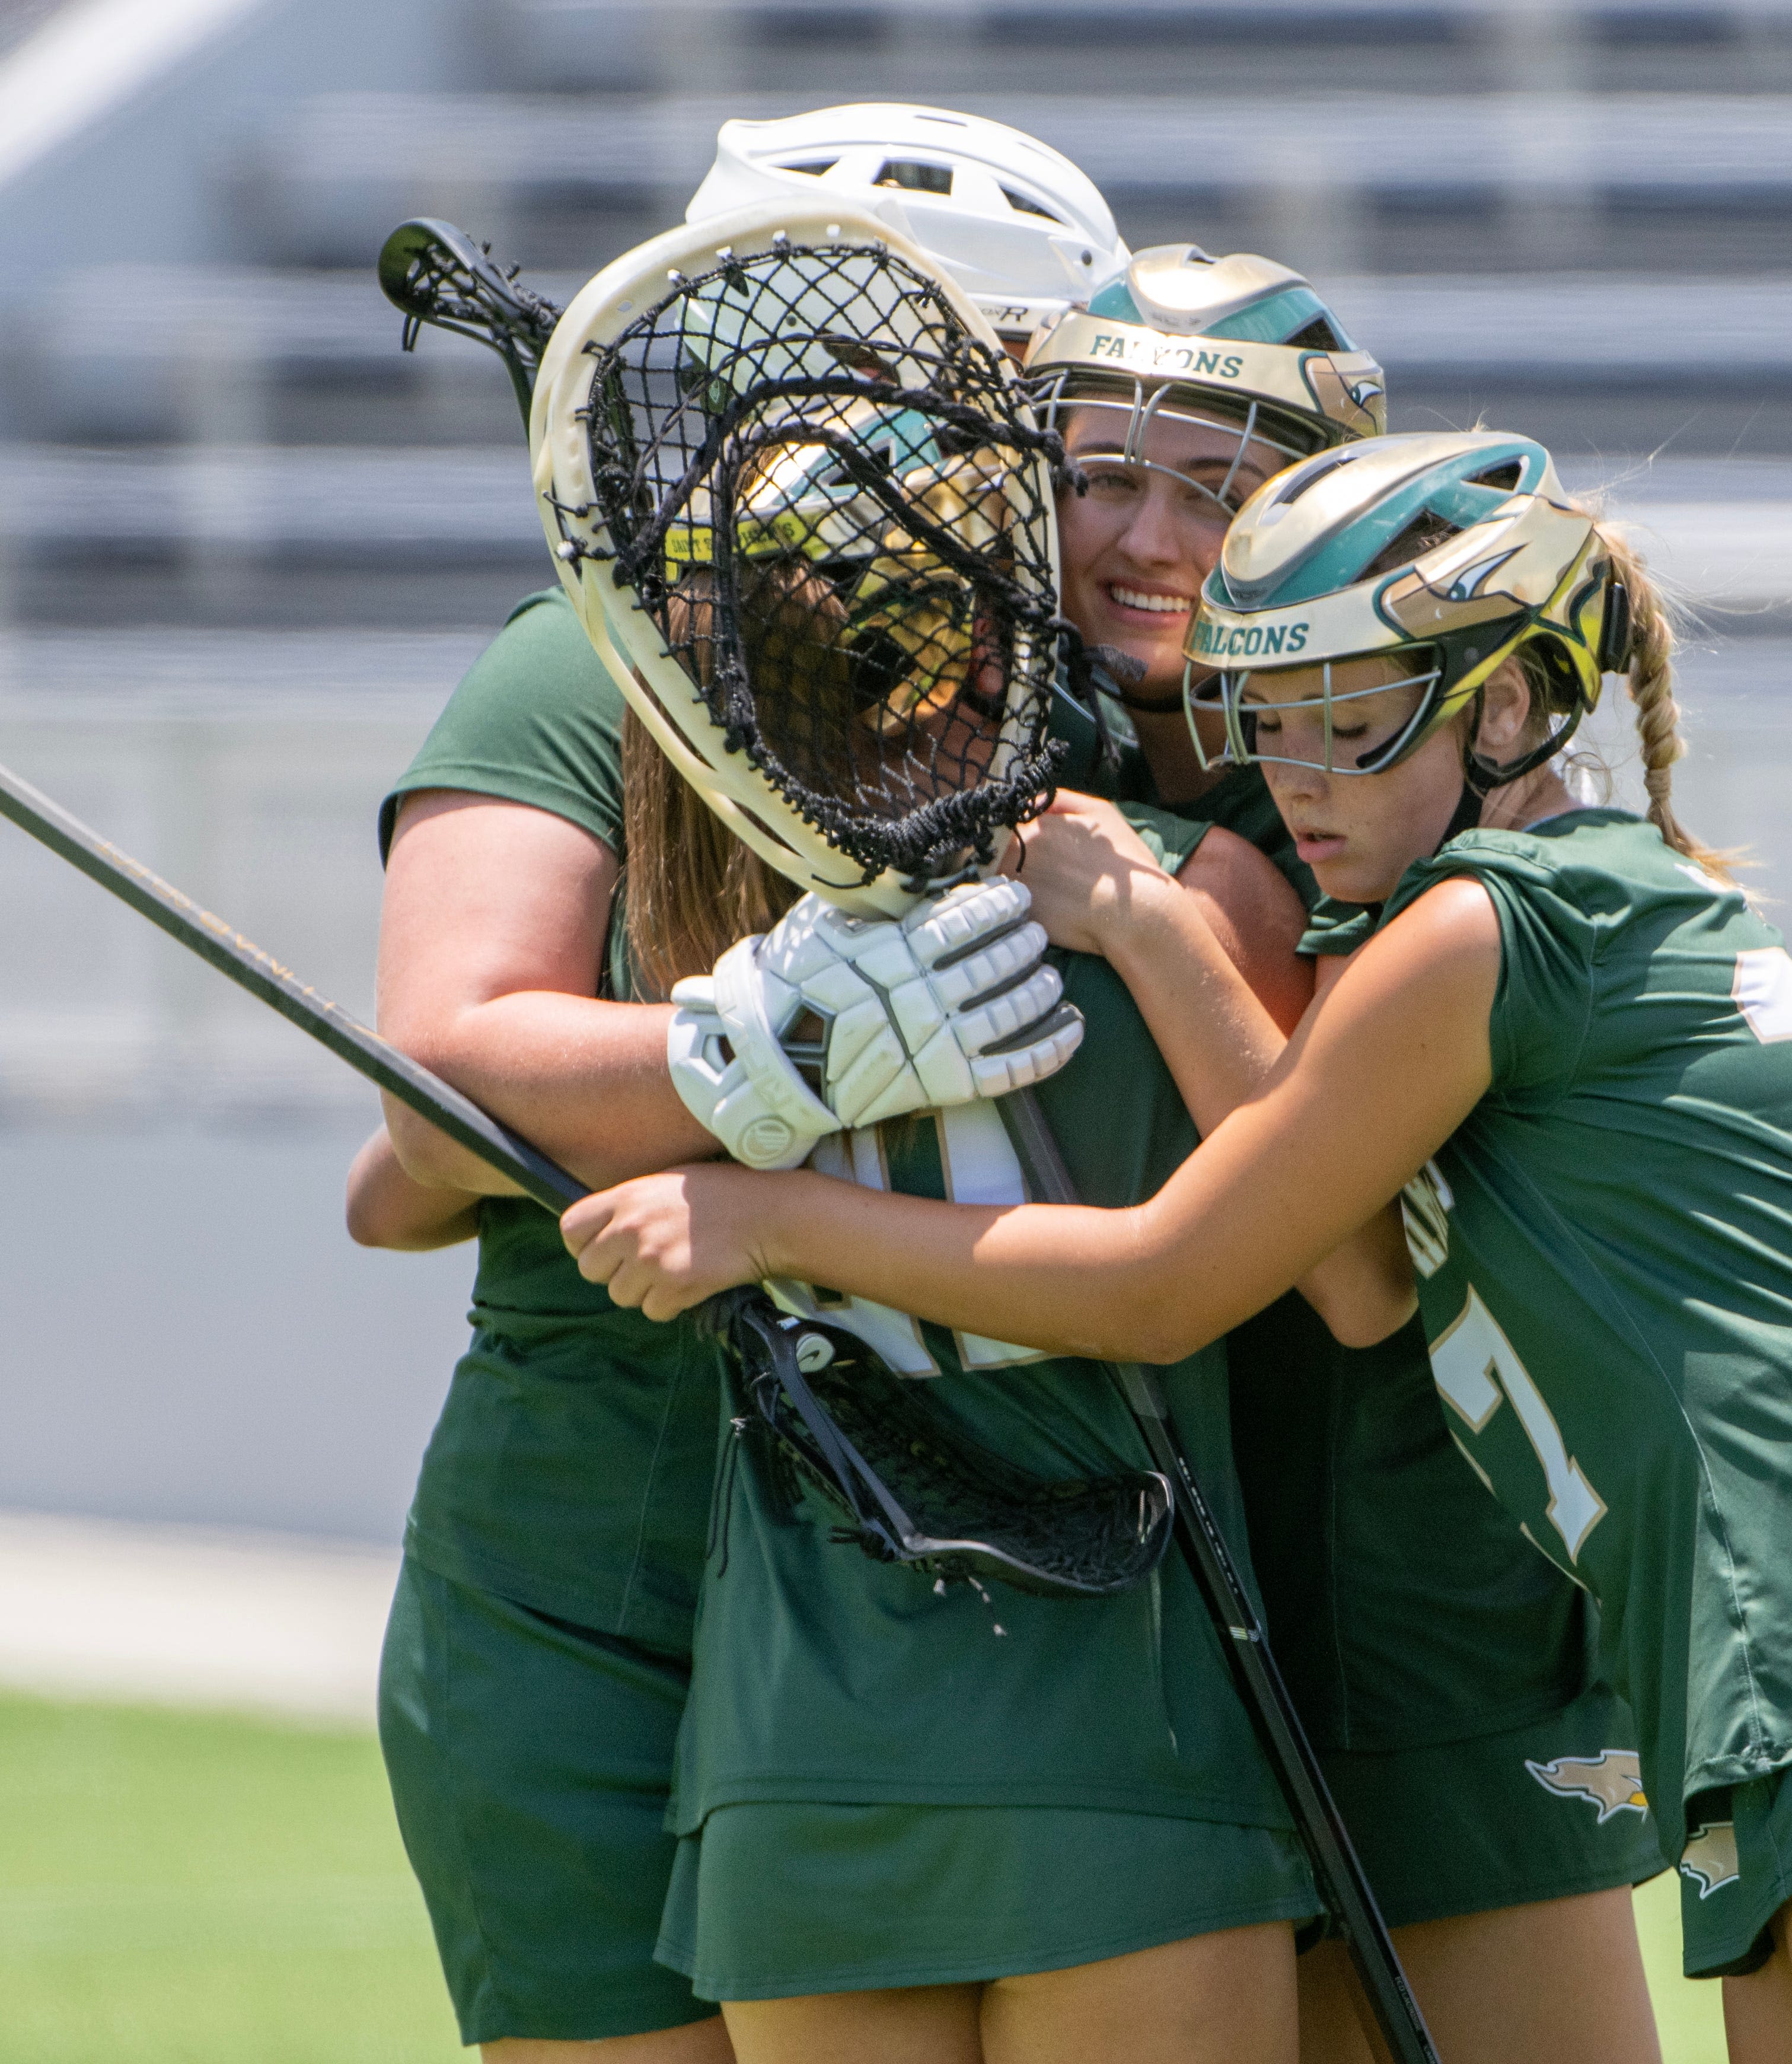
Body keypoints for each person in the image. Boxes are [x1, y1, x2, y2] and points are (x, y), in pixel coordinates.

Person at [564, 429, 1792, 2064]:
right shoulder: (1535, 905)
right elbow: (1354, 1276)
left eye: (1352, 722)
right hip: (1782, 1641)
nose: (1297, 779)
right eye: (1265, 722)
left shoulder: (1480, 926)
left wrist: (763, 1214)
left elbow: (1164, 1283)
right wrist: (1156, 931)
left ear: (1507, 706)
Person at [343, 113, 1134, 2060]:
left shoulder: (1094, 701)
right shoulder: (577, 671)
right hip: (601, 1561)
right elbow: (435, 1088)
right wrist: (768, 1053)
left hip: (985, 1563)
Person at [1031, 254, 1664, 2064]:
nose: (1146, 538)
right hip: (1166, 1635)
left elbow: (1351, 1256)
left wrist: (1154, 928)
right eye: (1100, 474)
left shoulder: (1386, 807)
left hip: (1426, 1594)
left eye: (1214, 488)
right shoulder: (1015, 770)